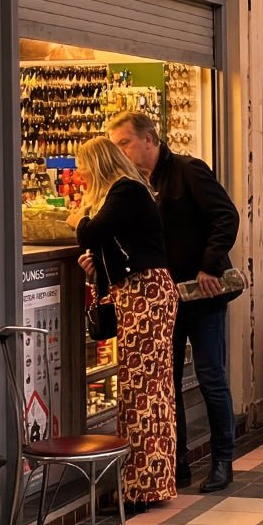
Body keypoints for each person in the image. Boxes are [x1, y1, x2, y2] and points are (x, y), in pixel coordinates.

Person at [108, 111, 240, 493]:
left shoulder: (188, 171)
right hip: (161, 299)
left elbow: (225, 216)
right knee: (167, 382)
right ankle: (176, 464)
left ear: (150, 139)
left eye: (125, 142)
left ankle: (222, 461)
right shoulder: (131, 185)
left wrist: (210, 266)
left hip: (202, 295)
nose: (122, 151)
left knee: (211, 375)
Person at [72, 137, 178, 505]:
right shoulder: (131, 192)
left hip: (145, 296)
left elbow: (90, 231)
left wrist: (79, 217)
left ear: (98, 164)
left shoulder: (125, 191)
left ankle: (142, 486)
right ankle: (145, 480)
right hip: (143, 293)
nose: (79, 174)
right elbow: (121, 247)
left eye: (82, 166)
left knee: (143, 392)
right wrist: (95, 267)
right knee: (146, 389)